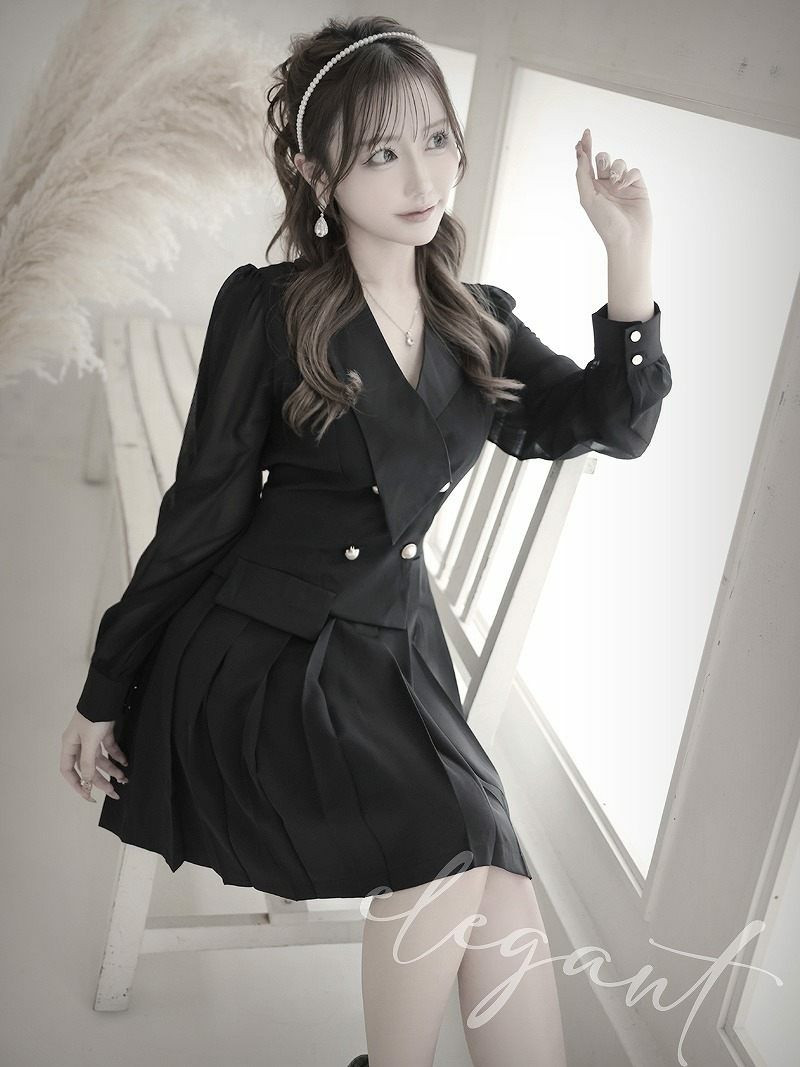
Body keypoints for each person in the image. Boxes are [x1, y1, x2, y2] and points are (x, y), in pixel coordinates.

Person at [60, 14, 671, 1067]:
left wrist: (628, 253)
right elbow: (201, 512)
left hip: (396, 656)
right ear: (316, 174)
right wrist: (105, 684)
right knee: (458, 848)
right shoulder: (270, 308)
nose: (421, 176)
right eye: (381, 153)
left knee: (499, 880)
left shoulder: (476, 320)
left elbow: (610, 422)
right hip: (266, 652)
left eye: (435, 139)